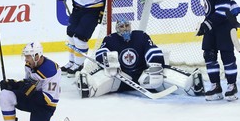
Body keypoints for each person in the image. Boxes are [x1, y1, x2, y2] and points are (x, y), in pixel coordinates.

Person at [76, 18, 205, 98]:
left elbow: (152, 49)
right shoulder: (111, 39)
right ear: (117, 28)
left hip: (143, 75)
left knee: (160, 75)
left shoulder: (140, 36)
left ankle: (192, 84)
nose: (125, 29)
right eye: (122, 26)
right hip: (120, 78)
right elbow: (100, 53)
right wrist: (109, 61)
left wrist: (155, 64)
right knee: (107, 76)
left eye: (127, 26)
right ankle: (89, 87)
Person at [0, 42, 76, 121]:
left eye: (28, 56)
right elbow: (28, 83)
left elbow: (47, 99)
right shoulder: (29, 65)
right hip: (32, 97)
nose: (26, 59)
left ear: (37, 56)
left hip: (45, 106)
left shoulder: (50, 71)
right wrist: (13, 84)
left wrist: (26, 89)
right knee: (5, 94)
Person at [196, 0, 240, 101]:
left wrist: (206, 25)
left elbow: (222, 12)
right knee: (209, 55)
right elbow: (209, 8)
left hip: (224, 26)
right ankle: (215, 86)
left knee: (227, 55)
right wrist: (206, 24)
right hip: (212, 25)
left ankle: (231, 86)